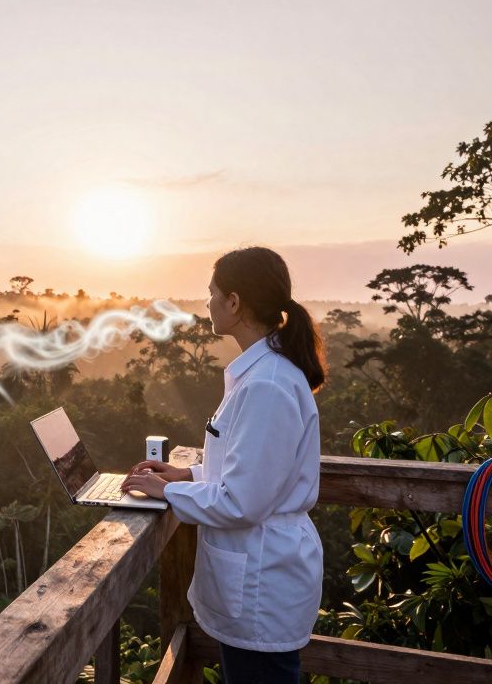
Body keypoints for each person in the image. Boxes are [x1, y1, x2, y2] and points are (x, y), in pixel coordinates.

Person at [120, 246, 325, 684]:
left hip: (261, 585)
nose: (207, 302)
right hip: (253, 576)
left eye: (212, 293)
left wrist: (167, 492)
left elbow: (242, 501)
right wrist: (186, 474)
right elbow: (248, 469)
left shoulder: (267, 385)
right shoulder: (260, 374)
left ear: (233, 303)